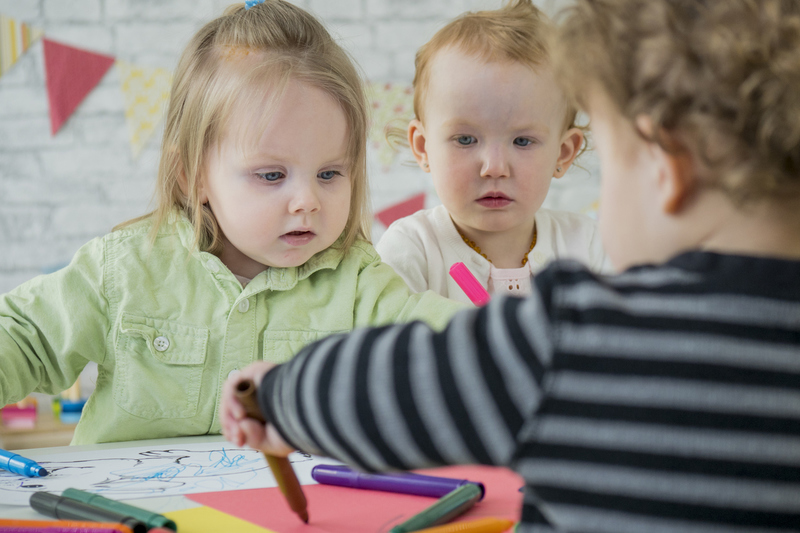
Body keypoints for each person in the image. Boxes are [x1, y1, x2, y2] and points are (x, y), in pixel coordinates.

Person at [220, 0, 800, 530]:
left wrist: (277, 395)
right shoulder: (414, 244)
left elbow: (395, 387)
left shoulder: (578, 336)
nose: (494, 166)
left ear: (666, 171)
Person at [0, 0, 463, 445]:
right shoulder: (123, 270)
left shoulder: (360, 284)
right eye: (272, 175)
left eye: (329, 173)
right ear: (193, 176)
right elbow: (22, 337)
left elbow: (450, 350)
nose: (307, 201)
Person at [375, 0, 609, 305]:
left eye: (523, 141)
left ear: (563, 153)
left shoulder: (586, 245)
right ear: (423, 148)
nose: (495, 168)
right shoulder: (411, 249)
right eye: (465, 139)